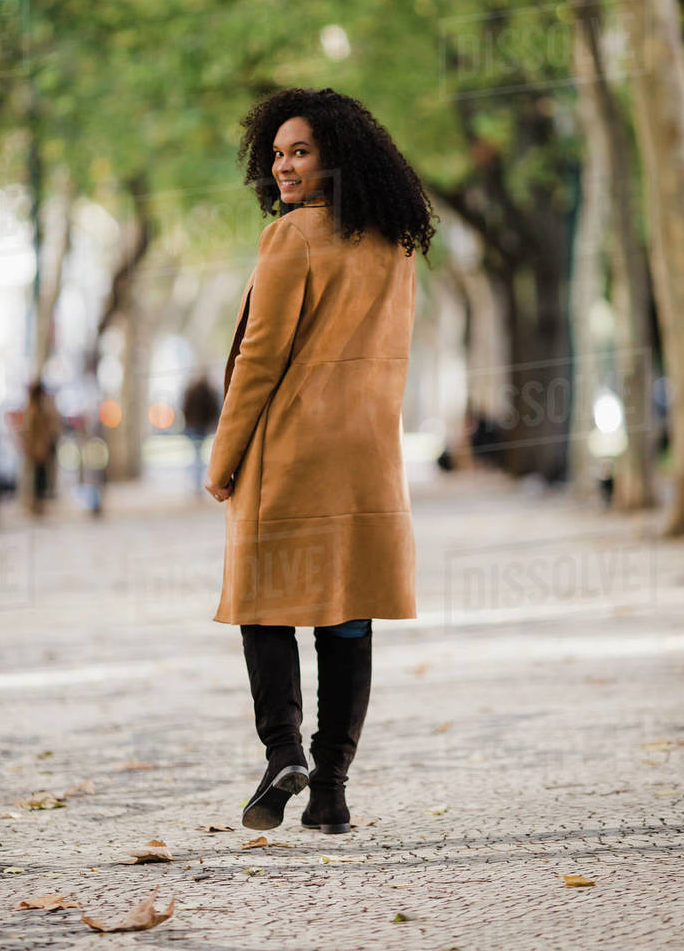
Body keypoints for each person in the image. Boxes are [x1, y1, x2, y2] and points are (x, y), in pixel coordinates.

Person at [205, 87, 438, 834]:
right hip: (367, 454)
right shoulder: (396, 238)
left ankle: (283, 752)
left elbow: (260, 356)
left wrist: (223, 456)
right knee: (346, 618)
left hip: (293, 450)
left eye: (299, 151)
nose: (283, 166)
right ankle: (331, 789)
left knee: (264, 604)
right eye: (276, 154)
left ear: (334, 154)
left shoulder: (293, 238)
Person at [19, 380, 62, 516]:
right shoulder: (35, 410)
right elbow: (30, 431)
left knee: (40, 478)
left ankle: (37, 505)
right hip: (37, 449)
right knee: (36, 478)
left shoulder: (38, 409)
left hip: (39, 449)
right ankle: (35, 505)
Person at [182, 373, 221, 494]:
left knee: (197, 455)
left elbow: (185, 407)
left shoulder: (192, 391)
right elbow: (214, 407)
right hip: (201, 426)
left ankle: (197, 483)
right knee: (198, 455)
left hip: (195, 425)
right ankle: (198, 483)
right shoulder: (209, 392)